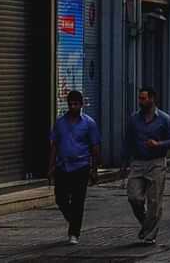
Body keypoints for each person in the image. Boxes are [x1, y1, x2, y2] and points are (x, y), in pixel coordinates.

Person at [123, 86, 170, 245]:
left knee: (154, 200)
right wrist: (124, 163)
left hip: (156, 163)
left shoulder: (164, 119)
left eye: (143, 98)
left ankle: (149, 234)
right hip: (138, 162)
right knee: (134, 197)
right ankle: (147, 224)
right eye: (139, 98)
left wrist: (158, 144)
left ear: (152, 99)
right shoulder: (134, 119)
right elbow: (127, 141)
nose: (140, 101)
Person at [48, 90, 101, 245]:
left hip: (81, 166)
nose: (73, 107)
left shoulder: (89, 123)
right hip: (63, 166)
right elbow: (54, 146)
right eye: (70, 104)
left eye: (76, 104)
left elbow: (95, 147)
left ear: (81, 105)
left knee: (78, 200)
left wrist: (94, 169)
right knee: (61, 198)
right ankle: (73, 218)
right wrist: (50, 167)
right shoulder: (60, 123)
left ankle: (74, 232)